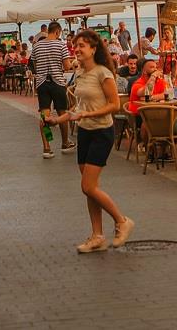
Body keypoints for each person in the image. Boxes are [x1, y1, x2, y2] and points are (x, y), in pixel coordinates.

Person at [46, 30, 135, 253]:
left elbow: (115, 105)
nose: (77, 49)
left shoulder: (103, 73)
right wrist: (58, 120)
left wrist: (86, 115)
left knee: (87, 186)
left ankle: (122, 221)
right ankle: (97, 236)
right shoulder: (82, 72)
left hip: (101, 132)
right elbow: (79, 107)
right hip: (84, 132)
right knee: (90, 188)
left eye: (82, 46)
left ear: (93, 49)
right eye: (75, 45)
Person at [29, 20, 74, 158]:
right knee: (62, 114)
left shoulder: (36, 46)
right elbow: (66, 66)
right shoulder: (61, 45)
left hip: (42, 83)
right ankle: (65, 142)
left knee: (45, 116)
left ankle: (47, 147)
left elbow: (35, 66)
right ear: (57, 32)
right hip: (58, 82)